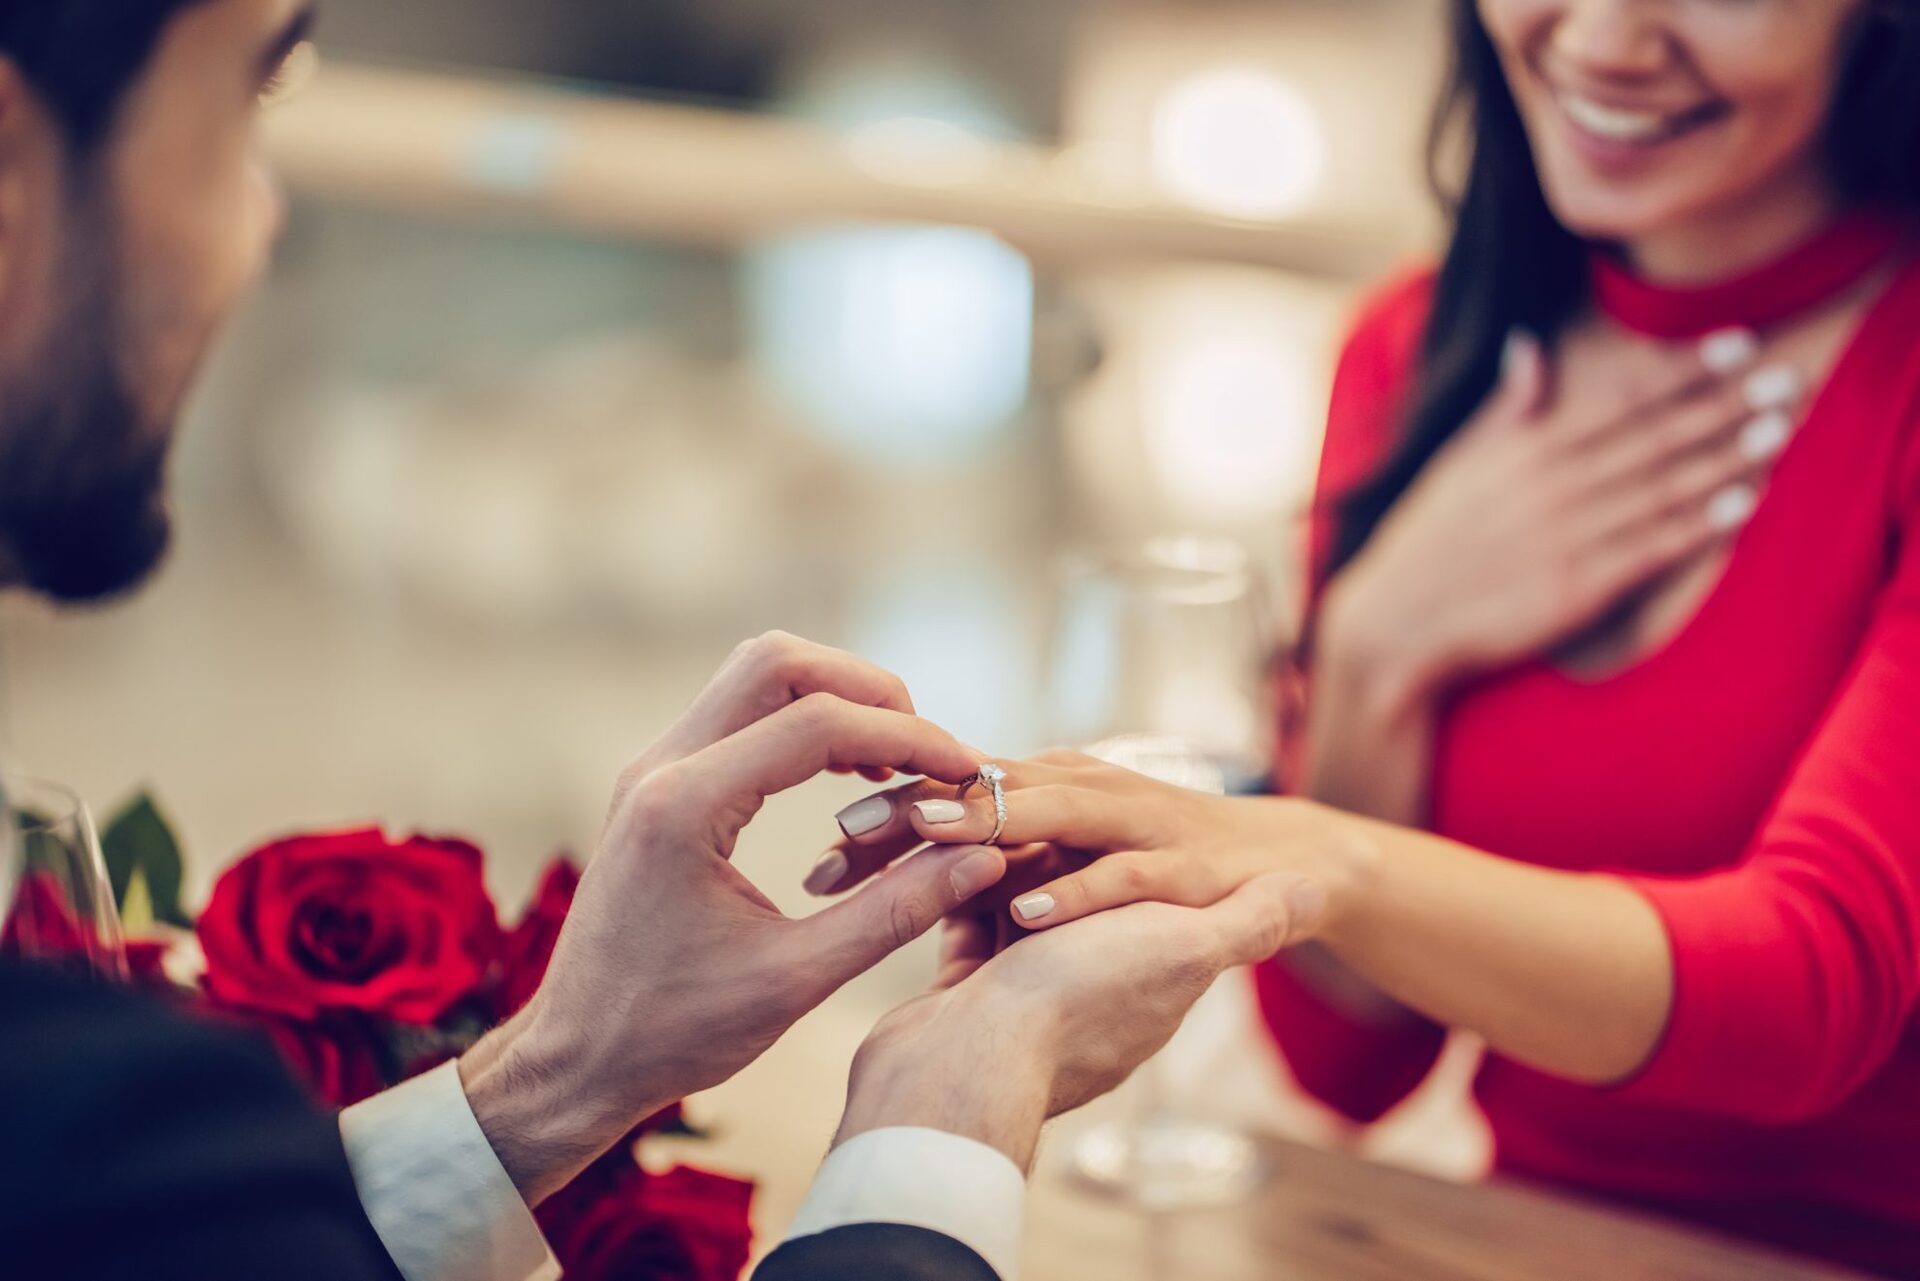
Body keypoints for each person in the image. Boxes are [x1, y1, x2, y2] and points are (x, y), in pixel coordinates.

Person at [0, 3, 1322, 1279]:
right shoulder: (105, 1106)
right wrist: (947, 1109)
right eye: (245, 100)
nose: (264, 226)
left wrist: (564, 1070)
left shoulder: (98, 1147)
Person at [813, 0, 1920, 1275]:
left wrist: (1302, 851)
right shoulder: (1415, 347)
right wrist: (1380, 653)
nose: (1607, 36)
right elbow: (1350, 1058)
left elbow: (1814, 993)